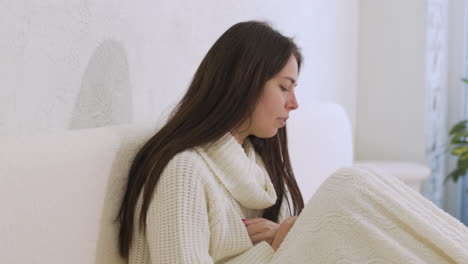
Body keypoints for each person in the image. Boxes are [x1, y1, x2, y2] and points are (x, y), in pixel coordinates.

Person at [117, 21, 468, 264]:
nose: (294, 103)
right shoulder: (184, 172)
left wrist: (281, 238)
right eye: (284, 87)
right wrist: (279, 245)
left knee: (352, 195)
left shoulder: (257, 169)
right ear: (244, 82)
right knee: (348, 188)